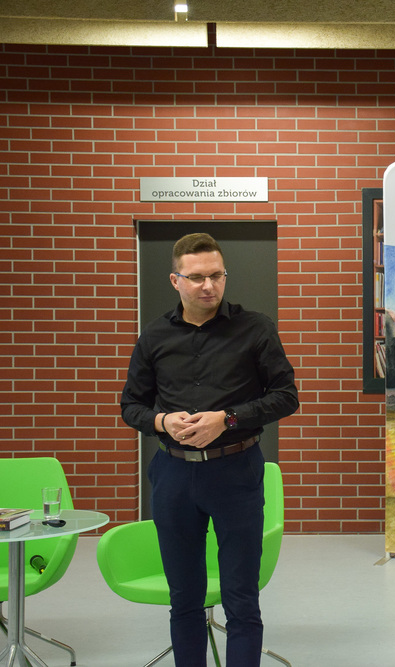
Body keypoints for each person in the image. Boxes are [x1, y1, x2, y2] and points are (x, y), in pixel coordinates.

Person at [120, 233, 299, 667]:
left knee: (241, 595)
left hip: (236, 470)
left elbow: (286, 397)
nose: (208, 286)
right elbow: (131, 406)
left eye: (217, 275)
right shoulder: (154, 336)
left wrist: (227, 418)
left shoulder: (255, 328)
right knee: (184, 595)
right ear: (175, 280)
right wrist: (162, 422)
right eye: (197, 277)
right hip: (174, 475)